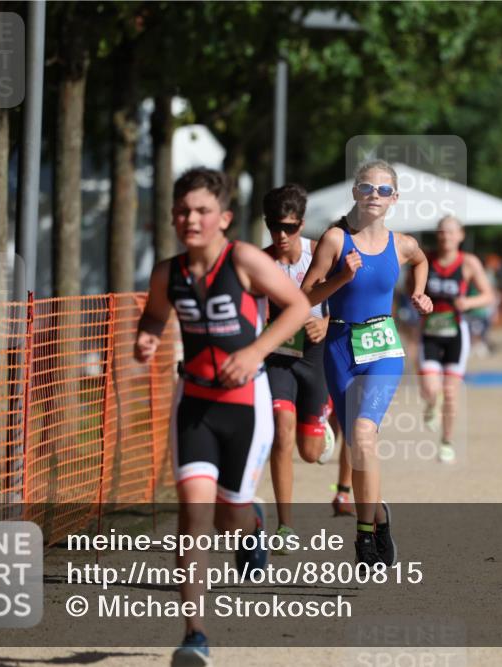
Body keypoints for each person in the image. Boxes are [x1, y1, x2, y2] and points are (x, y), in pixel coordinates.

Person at [134, 168, 310, 666]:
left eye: (203, 211)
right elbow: (153, 314)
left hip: (244, 406)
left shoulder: (246, 261)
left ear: (224, 218)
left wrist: (256, 352)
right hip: (193, 403)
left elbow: (297, 307)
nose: (192, 219)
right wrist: (148, 335)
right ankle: (195, 634)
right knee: (192, 513)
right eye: (183, 210)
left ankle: (252, 522)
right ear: (172, 215)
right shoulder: (168, 273)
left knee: (229, 519)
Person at [301, 159, 432, 567]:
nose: (375, 196)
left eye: (384, 190)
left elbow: (422, 261)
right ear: (355, 193)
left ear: (395, 199)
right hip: (340, 347)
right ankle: (377, 517)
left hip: (383, 347)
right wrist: (341, 278)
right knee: (358, 447)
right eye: (367, 189)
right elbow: (306, 294)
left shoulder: (403, 244)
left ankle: (365, 540)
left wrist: (420, 293)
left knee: (363, 432)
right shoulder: (336, 240)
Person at [260, 184, 349, 550]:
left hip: (315, 356)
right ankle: (286, 525)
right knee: (282, 430)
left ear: (301, 224)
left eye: (290, 227)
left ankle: (326, 413)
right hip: (278, 357)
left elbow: (349, 303)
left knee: (311, 454)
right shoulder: (260, 262)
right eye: (274, 226)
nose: (282, 235)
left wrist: (327, 324)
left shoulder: (320, 253)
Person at [417, 216, 495, 464]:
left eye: (450, 232)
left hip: (455, 332)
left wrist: (468, 302)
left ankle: (447, 441)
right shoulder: (425, 260)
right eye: (441, 232)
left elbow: (488, 295)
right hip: (429, 329)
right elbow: (413, 291)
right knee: (431, 387)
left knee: (451, 392)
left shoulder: (469, 263)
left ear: (460, 235)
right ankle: (431, 404)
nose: (445, 237)